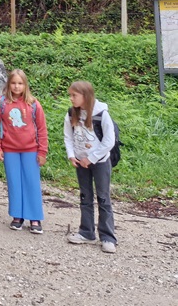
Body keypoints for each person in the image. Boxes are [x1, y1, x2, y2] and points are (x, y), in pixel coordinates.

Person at [0, 69, 48, 234]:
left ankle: (34, 217)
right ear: (9, 84)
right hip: (10, 150)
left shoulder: (33, 104)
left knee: (32, 182)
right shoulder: (0, 103)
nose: (16, 86)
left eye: (20, 83)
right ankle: (17, 216)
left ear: (25, 85)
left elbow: (42, 129)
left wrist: (42, 151)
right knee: (14, 183)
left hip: (31, 149)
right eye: (14, 83)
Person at [63, 80, 117, 254]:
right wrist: (71, 155)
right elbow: (68, 136)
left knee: (103, 197)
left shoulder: (102, 114)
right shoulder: (71, 113)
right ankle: (86, 232)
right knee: (85, 196)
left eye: (74, 95)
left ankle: (108, 237)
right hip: (81, 162)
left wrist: (92, 158)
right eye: (70, 95)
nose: (71, 98)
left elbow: (109, 141)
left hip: (100, 162)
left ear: (85, 96)